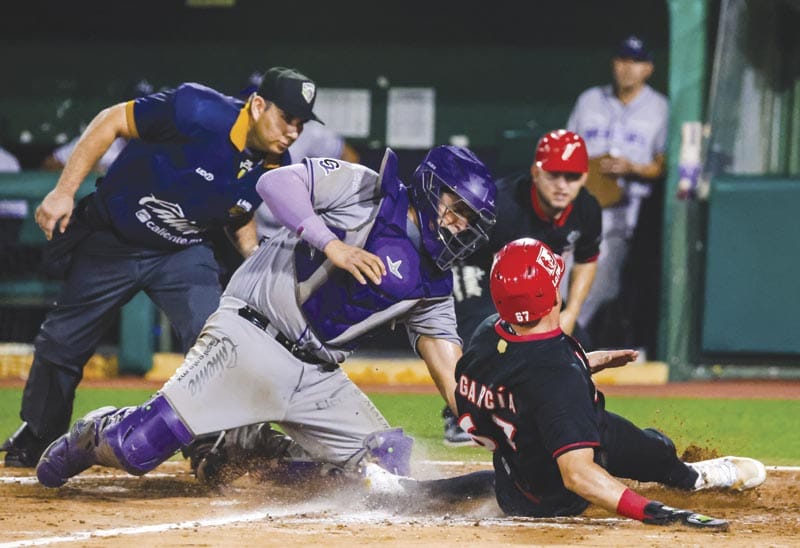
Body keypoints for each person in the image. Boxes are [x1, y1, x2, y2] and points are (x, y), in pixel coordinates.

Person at [34, 144, 498, 488]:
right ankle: (93, 432)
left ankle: (242, 453)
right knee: (136, 447)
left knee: (385, 467)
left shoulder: (435, 285)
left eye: (470, 221)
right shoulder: (365, 188)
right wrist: (331, 244)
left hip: (317, 375)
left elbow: (451, 374)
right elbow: (274, 184)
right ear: (430, 188)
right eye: (457, 209)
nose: (460, 225)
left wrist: (500, 436)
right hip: (250, 333)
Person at [0, 66, 321, 468]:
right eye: (286, 118)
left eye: (300, 124)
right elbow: (110, 120)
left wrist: (253, 256)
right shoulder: (196, 109)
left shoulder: (275, 164)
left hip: (183, 251)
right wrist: (64, 192)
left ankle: (209, 440)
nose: (292, 132)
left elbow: (238, 212)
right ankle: (39, 433)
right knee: (61, 342)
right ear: (258, 106)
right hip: (113, 240)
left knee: (215, 339)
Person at [367, 238, 766, 528]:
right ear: (550, 295)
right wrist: (653, 511)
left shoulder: (489, 334)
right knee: (651, 446)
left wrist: (583, 363)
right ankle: (693, 477)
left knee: (510, 473)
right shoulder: (558, 375)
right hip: (558, 498)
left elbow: (521, 382)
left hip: (515, 477)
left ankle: (408, 492)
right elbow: (578, 475)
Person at [442, 129, 601, 445]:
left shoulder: (587, 208)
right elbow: (456, 245)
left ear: (584, 177)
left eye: (571, 177)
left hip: (527, 286)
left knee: (576, 343)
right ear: (536, 172)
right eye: (554, 174)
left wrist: (571, 312)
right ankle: (460, 414)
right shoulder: (503, 203)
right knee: (487, 328)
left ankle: (550, 415)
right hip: (478, 273)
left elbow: (587, 259)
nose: (562, 185)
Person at [566, 34, 669, 346]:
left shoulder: (660, 108)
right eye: (623, 60)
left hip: (626, 212)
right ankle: (557, 339)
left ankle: (568, 338)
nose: (627, 67)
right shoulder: (589, 100)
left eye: (636, 61)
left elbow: (663, 164)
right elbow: (567, 147)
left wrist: (632, 167)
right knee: (558, 278)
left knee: (601, 286)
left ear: (648, 68)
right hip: (580, 205)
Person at [40, 80, 156, 175]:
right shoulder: (100, 139)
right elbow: (49, 164)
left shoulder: (161, 146)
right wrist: (84, 174)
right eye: (133, 109)